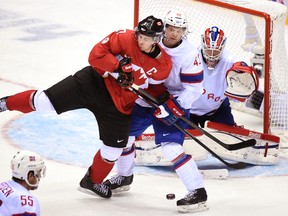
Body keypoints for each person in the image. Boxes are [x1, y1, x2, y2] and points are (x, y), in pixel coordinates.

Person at [0, 15, 172, 199]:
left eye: (147, 39)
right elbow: (95, 55)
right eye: (141, 36)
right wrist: (117, 68)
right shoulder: (123, 37)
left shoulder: (163, 65)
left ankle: (92, 181)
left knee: (113, 150)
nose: (141, 41)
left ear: (156, 40)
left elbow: (155, 88)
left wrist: (162, 100)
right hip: (93, 82)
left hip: (119, 104)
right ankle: (5, 103)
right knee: (45, 101)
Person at [104, 10, 208, 213]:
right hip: (146, 98)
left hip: (173, 102)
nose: (173, 33)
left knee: (170, 147)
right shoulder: (152, 41)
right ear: (164, 28)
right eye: (170, 28)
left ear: (184, 32)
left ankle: (197, 192)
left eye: (179, 30)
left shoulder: (189, 53)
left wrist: (174, 107)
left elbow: (195, 88)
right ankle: (124, 177)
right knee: (125, 137)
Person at [189, 26, 258, 128]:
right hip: (188, 112)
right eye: (208, 51)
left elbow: (243, 69)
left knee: (229, 136)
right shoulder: (190, 57)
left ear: (222, 48)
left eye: (216, 52)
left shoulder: (230, 61)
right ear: (203, 46)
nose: (211, 56)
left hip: (217, 110)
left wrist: (244, 70)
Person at [0, 150, 46, 216]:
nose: (39, 177)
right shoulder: (29, 203)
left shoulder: (2, 185)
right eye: (38, 172)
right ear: (30, 175)